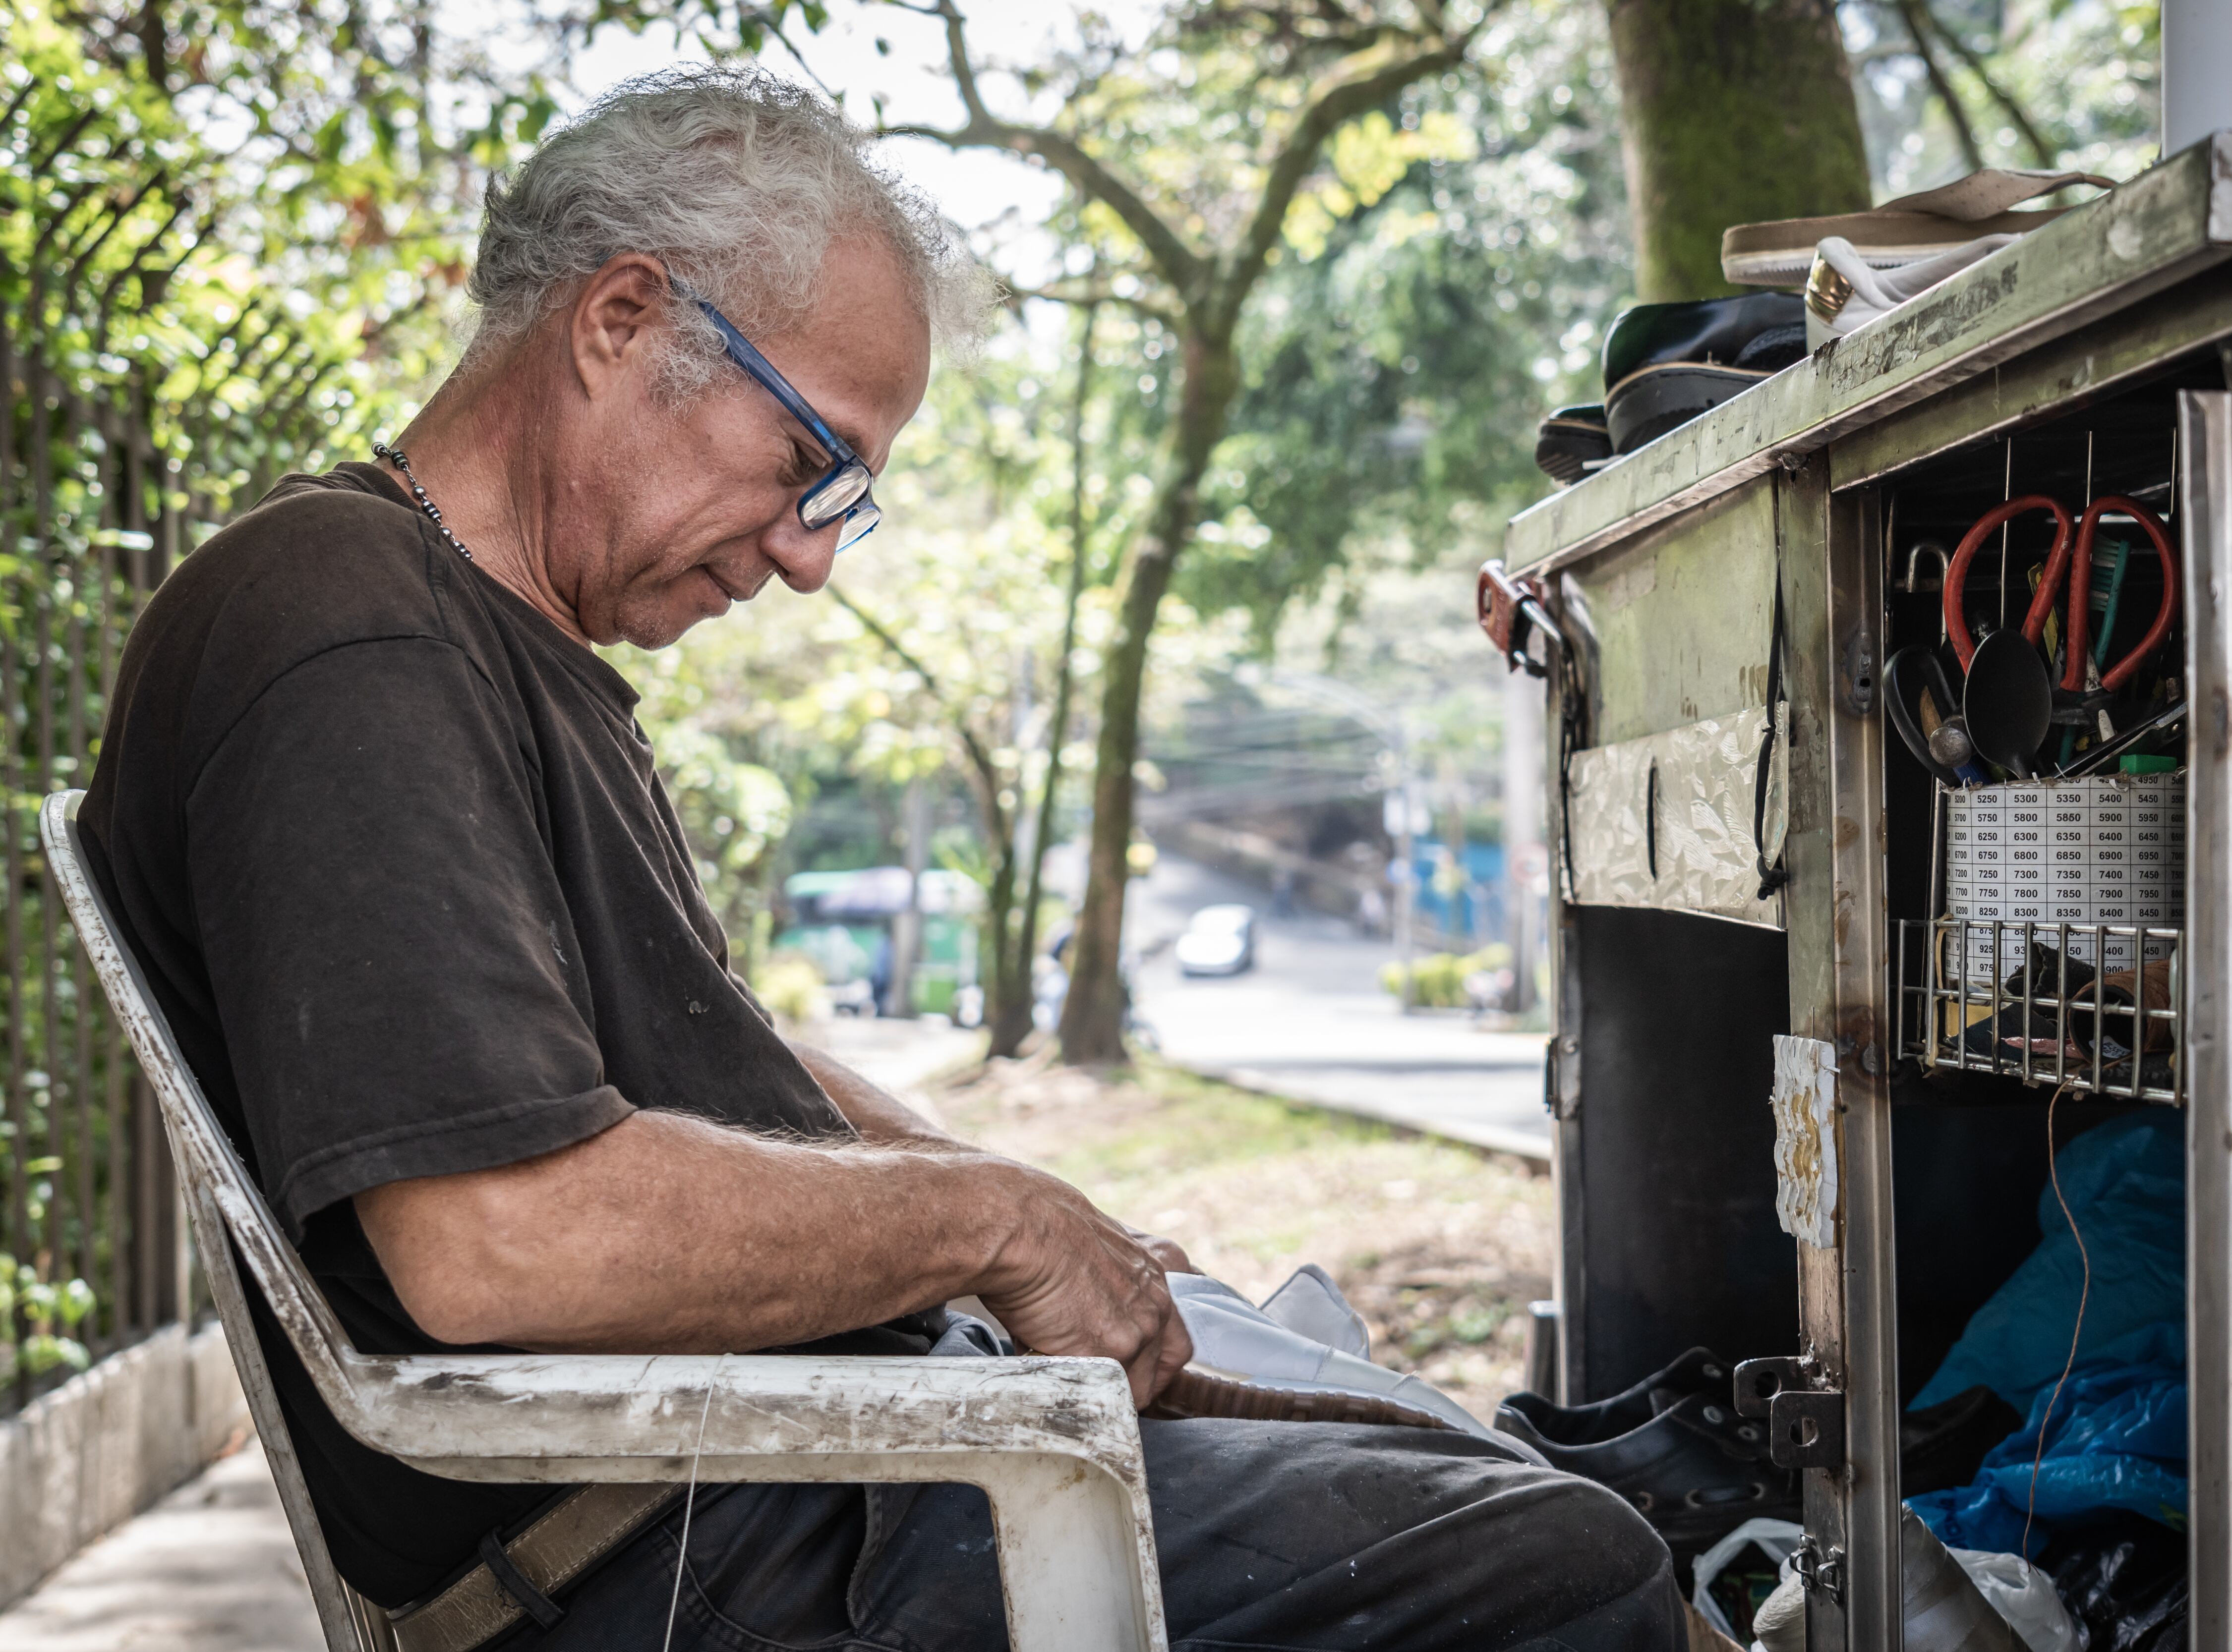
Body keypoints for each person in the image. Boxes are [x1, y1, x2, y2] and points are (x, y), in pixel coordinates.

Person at [80, 67, 1682, 1652]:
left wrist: (1040, 1215)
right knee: (1566, 1565)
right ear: (621, 318)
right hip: (708, 1561)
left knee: (1444, 1442)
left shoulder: (478, 638)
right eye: (806, 464)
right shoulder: (348, 632)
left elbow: (698, 1064)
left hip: (788, 1483)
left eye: (845, 499)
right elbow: (505, 1235)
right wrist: (994, 1227)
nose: (809, 561)